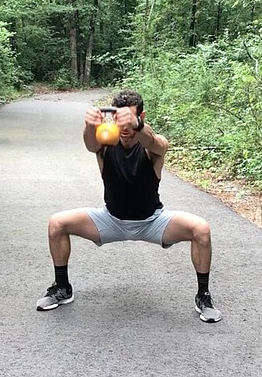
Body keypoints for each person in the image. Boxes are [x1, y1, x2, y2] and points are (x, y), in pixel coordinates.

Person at [35, 89, 222, 323]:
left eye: (129, 121)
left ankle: (203, 296)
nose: (124, 129)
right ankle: (62, 288)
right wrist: (90, 126)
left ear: (142, 116)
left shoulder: (150, 145)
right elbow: (91, 145)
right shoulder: (106, 143)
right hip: (111, 220)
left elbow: (157, 143)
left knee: (201, 229)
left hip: (153, 222)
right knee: (57, 223)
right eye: (119, 120)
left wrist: (138, 125)